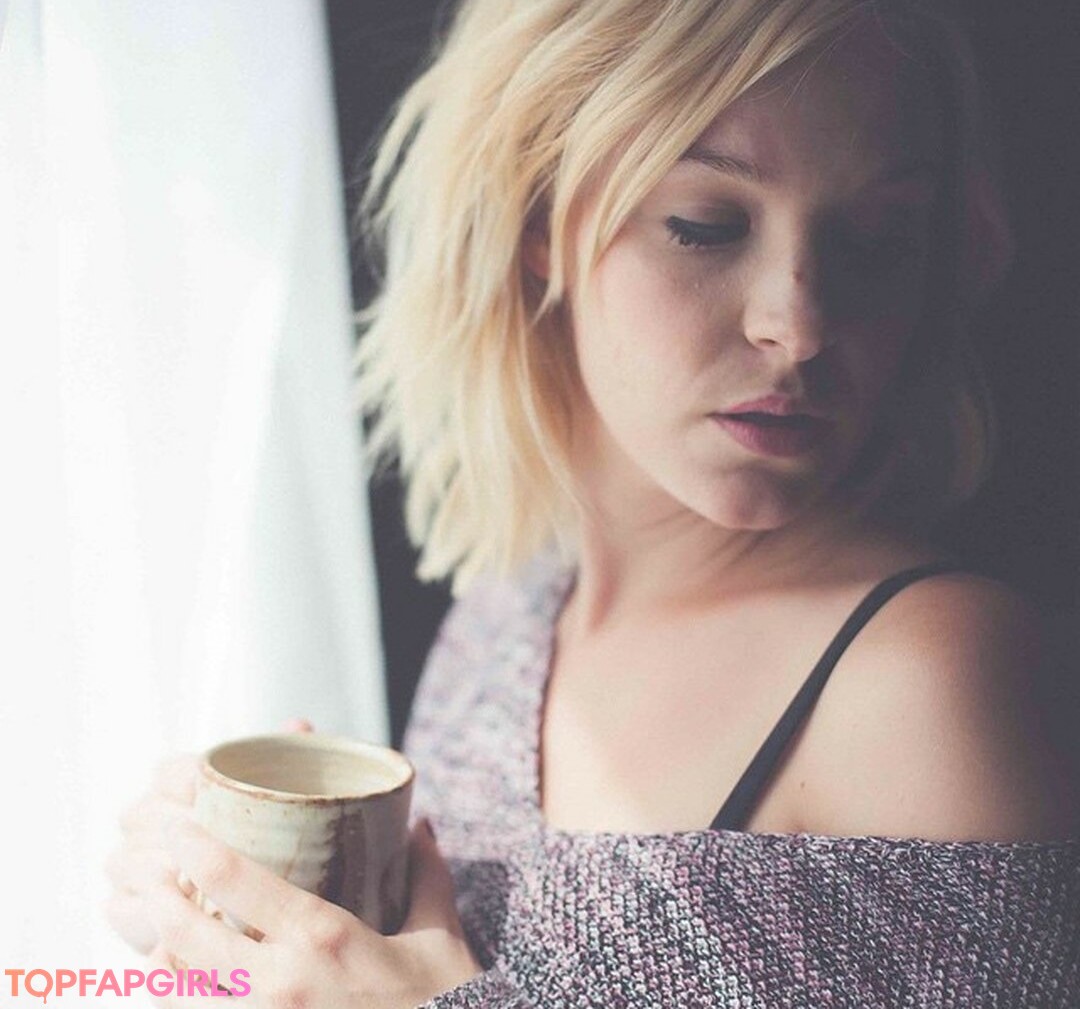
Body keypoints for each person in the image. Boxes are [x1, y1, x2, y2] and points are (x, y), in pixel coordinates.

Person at [106, 0, 1080, 1005]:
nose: (798, 325)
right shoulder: (506, 621)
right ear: (539, 221)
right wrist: (227, 920)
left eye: (878, 241)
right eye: (706, 227)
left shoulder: (933, 672)